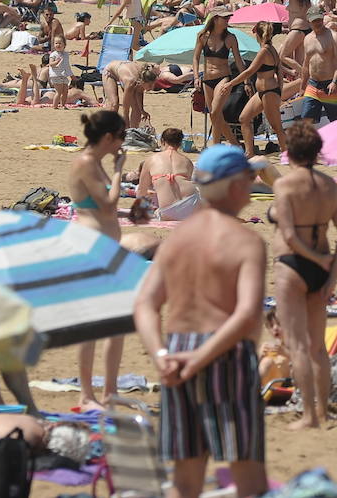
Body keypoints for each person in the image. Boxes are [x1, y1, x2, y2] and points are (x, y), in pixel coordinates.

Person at [133, 143, 269, 498]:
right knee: (247, 476)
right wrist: (203, 356)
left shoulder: (178, 239)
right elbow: (247, 314)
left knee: (185, 480)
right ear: (238, 187)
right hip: (225, 352)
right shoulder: (245, 242)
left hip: (177, 352)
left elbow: (145, 305)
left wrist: (161, 355)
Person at [269, 122, 337, 430]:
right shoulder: (330, 186)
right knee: (319, 347)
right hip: (322, 269)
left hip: (292, 265)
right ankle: (326, 412)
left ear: (290, 152)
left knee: (298, 345)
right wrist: (332, 273)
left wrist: (316, 258)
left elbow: (289, 236)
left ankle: (308, 415)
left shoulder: (285, 185)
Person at [70, 110, 128, 410]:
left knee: (116, 324)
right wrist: (119, 171)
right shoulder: (85, 163)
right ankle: (86, 394)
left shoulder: (96, 163)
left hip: (105, 246)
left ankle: (110, 391)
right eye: (120, 137)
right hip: (91, 247)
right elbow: (107, 205)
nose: (122, 144)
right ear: (108, 137)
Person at [223, 21, 291, 157]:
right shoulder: (271, 49)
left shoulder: (265, 51)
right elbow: (279, 71)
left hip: (269, 92)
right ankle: (249, 153)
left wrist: (231, 84)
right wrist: (280, 90)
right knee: (244, 118)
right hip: (265, 92)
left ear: (258, 35)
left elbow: (249, 71)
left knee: (276, 127)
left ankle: (287, 154)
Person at [193, 13, 247, 145]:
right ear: (216, 19)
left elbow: (238, 60)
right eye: (225, 18)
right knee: (215, 115)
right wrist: (195, 77)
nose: (228, 20)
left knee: (215, 111)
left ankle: (221, 145)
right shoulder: (203, 36)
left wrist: (246, 80)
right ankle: (230, 145)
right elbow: (195, 57)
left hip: (223, 77)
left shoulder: (230, 38)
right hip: (207, 79)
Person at [299, 6, 337, 124]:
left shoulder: (333, 37)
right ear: (309, 21)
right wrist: (302, 86)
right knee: (306, 119)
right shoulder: (307, 39)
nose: (318, 23)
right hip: (313, 85)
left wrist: (335, 81)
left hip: (330, 84)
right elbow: (306, 65)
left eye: (319, 19)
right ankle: (310, 142)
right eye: (314, 20)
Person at [136, 127, 196, 219]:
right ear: (180, 143)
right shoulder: (187, 161)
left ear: (162, 141)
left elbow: (141, 190)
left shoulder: (151, 160)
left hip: (168, 211)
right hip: (191, 205)